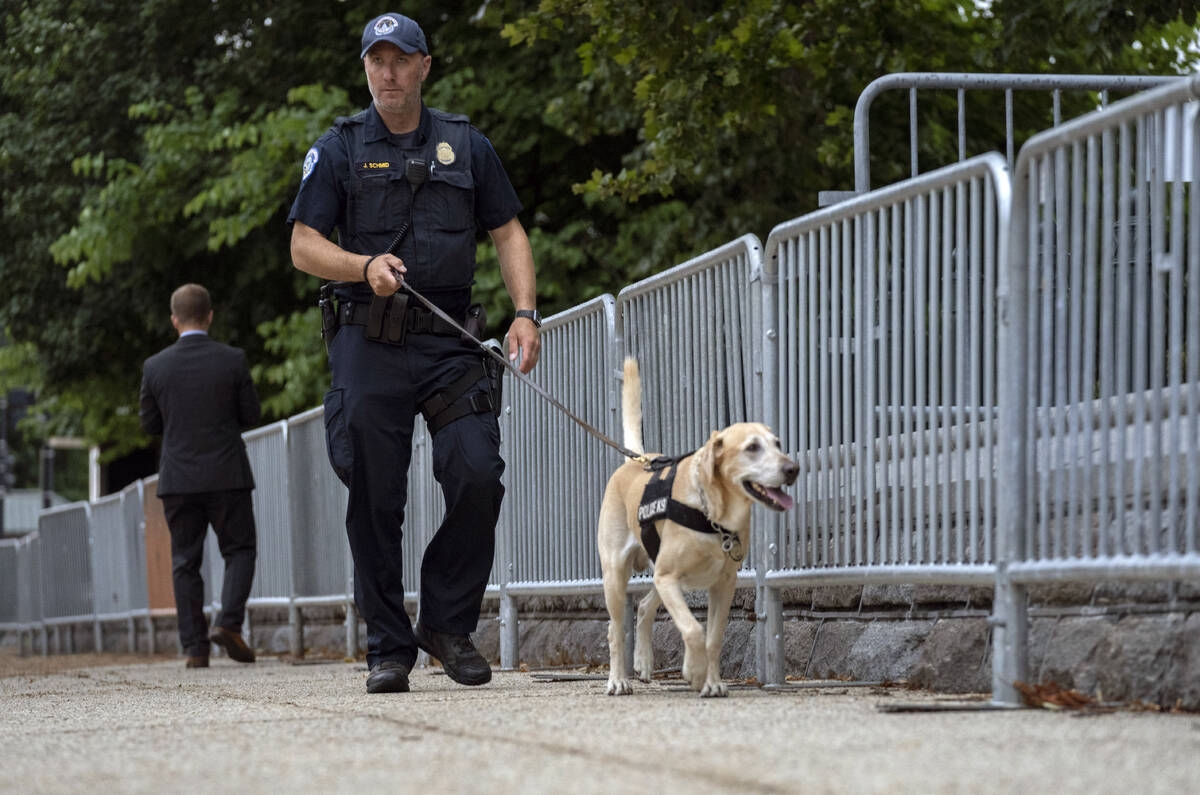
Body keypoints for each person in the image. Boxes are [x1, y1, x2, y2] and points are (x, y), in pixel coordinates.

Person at [288, 12, 541, 694]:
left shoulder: (467, 145)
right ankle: (388, 647)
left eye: (401, 59)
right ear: (365, 67)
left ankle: (447, 624)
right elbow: (303, 244)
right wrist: (360, 264)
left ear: (425, 66)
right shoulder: (339, 148)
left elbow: (509, 230)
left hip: (451, 340)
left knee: (478, 471)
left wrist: (524, 313)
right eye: (377, 60)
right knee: (375, 491)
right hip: (368, 339)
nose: (388, 71)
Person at [139, 283, 262, 669]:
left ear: (174, 320)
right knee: (239, 550)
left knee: (185, 562)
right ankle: (229, 624)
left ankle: (195, 649)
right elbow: (251, 415)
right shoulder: (233, 360)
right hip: (227, 473)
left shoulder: (154, 366)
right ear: (210, 316)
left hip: (178, 479)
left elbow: (148, 424)